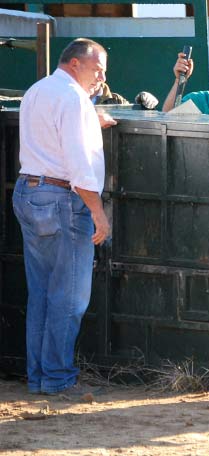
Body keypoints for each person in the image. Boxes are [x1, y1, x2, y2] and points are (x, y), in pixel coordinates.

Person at [12, 38, 116, 396]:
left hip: (29, 191)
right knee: (70, 297)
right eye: (98, 67)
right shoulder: (74, 100)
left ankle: (41, 377)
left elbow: (54, 135)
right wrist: (98, 212)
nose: (102, 75)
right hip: (62, 199)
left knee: (41, 293)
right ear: (75, 64)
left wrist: (91, 119)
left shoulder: (39, 89)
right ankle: (57, 377)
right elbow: (79, 164)